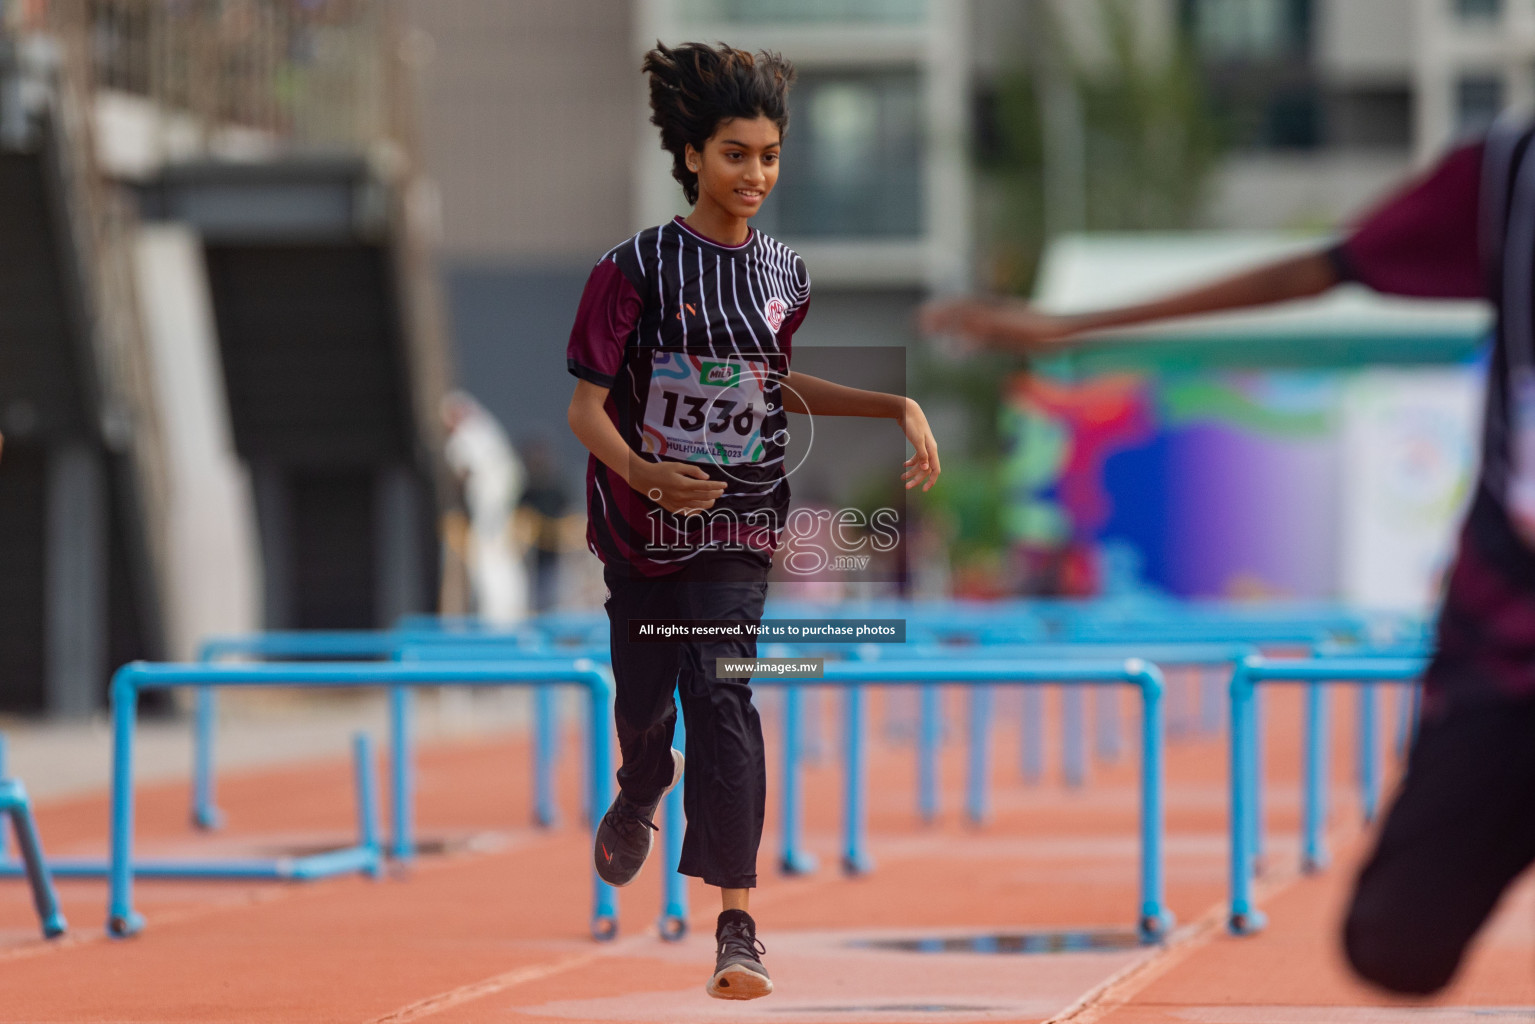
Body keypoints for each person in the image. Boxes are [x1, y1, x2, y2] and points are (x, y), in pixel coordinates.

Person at [923, 113, 1535, 996]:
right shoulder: (1504, 178)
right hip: (1507, 645)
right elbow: (1324, 267)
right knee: (1394, 945)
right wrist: (1068, 330)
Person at [566, 41, 940, 1001]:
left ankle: (737, 927)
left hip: (738, 522)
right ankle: (643, 779)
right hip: (642, 531)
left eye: (770, 155)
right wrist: (648, 474)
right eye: (736, 154)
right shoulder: (634, 268)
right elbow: (584, 411)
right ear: (692, 155)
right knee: (644, 701)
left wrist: (892, 405)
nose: (756, 175)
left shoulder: (784, 273)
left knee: (725, 690)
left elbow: (773, 384)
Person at [442, 390, 528, 626]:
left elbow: (463, 472)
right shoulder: (485, 429)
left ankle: (497, 613)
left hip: (489, 502)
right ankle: (504, 610)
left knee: (488, 552)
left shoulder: (467, 435)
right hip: (495, 500)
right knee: (497, 551)